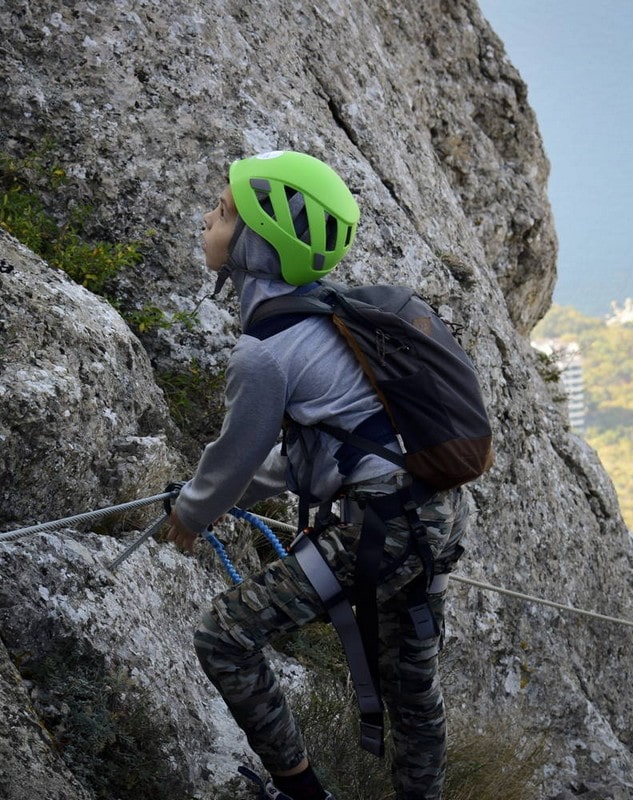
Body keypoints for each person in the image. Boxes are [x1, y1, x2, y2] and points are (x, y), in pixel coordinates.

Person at [163, 150, 471, 800]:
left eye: (222, 213)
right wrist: (227, 499)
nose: (206, 221)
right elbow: (314, 454)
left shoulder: (264, 352)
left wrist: (190, 515)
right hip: (433, 511)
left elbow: (235, 458)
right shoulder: (324, 318)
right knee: (411, 684)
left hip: (380, 528)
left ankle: (302, 794)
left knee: (224, 637)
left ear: (256, 246)